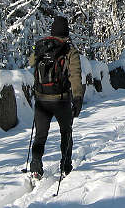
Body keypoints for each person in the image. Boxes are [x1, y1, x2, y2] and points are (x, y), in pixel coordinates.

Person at [28, 16, 83, 179]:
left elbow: (31, 62)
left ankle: (36, 166)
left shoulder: (41, 46)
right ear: (66, 32)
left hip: (41, 99)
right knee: (66, 132)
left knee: (40, 135)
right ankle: (65, 165)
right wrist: (78, 98)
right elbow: (75, 75)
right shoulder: (69, 51)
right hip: (61, 99)